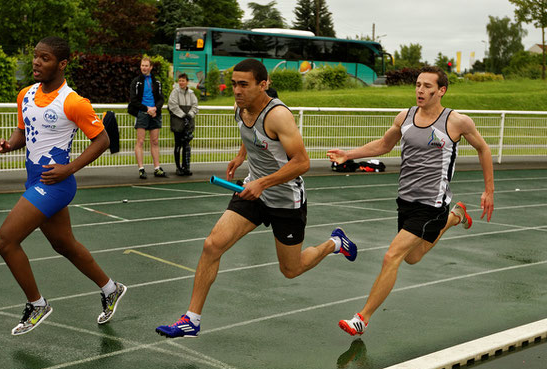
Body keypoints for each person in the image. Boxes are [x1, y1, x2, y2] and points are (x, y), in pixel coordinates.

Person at [156, 59, 358, 338]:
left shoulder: (278, 116)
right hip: (253, 191)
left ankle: (335, 243)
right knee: (212, 245)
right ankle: (191, 319)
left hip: (286, 198)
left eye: (244, 85)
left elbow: (302, 163)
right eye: (235, 84)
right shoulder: (240, 108)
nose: (237, 91)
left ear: (263, 85)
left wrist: (263, 182)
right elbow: (249, 134)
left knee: (291, 268)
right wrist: (241, 157)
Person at [327, 66, 495, 336]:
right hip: (406, 199)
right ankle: (456, 217)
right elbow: (383, 145)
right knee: (413, 257)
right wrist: (349, 155)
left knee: (392, 256)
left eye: (428, 86)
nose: (420, 90)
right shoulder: (405, 117)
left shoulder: (456, 122)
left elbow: (483, 148)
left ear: (441, 91)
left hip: (432, 202)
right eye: (418, 84)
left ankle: (362, 318)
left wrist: (489, 190)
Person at [0, 36, 127, 335]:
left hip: (55, 184)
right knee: (64, 244)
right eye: (35, 57)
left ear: (62, 64)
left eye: (45, 58)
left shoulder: (73, 101)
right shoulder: (25, 94)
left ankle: (37, 304)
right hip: (34, 179)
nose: (36, 62)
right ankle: (110, 288)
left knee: (5, 241)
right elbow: (23, 133)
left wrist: (70, 168)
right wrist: (7, 144)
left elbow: (102, 140)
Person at [128, 56, 166, 179]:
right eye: (142, 65)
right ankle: (141, 168)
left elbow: (161, 98)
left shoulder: (157, 82)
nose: (144, 68)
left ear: (151, 67)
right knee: (140, 141)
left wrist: (155, 109)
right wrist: (146, 109)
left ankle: (157, 168)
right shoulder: (136, 82)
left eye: (146, 65)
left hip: (154, 113)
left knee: (155, 141)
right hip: (142, 113)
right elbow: (133, 100)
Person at [168, 73, 198, 176]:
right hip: (178, 123)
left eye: (183, 81)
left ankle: (186, 167)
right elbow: (172, 105)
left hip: (188, 123)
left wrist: (189, 115)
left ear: (187, 82)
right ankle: (178, 167)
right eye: (180, 81)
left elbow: (195, 106)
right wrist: (182, 115)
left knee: (186, 145)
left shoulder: (191, 93)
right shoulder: (174, 93)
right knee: (178, 144)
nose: (181, 83)